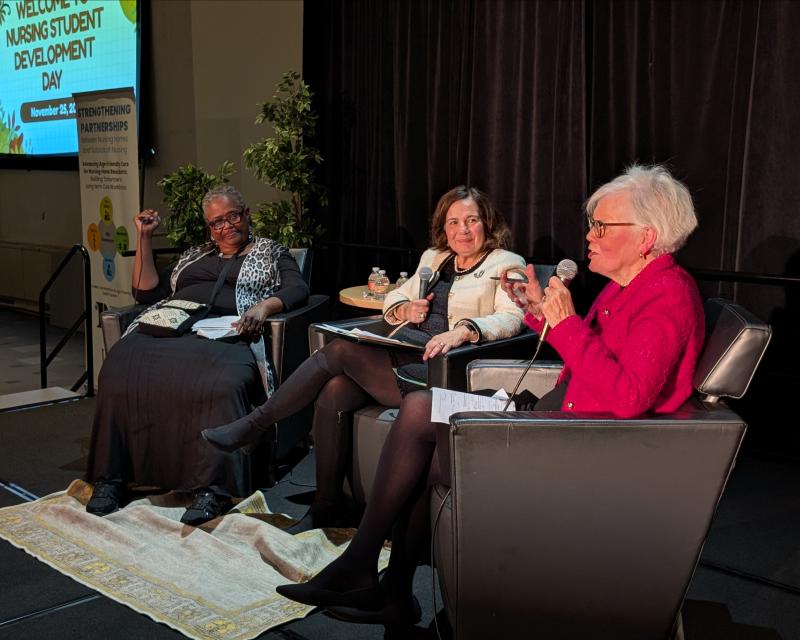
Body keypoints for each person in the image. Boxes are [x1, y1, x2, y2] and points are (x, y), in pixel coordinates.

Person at [271, 164, 705, 625]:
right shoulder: (628, 286)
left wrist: (566, 323)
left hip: (581, 446)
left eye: (601, 226)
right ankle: (384, 585)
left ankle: (368, 572)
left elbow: (628, 397)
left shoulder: (667, 296)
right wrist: (538, 312)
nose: (589, 236)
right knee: (422, 417)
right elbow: (590, 357)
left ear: (645, 238)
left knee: (419, 410)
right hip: (557, 419)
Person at [201, 185, 526, 533]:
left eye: (471, 220)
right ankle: (326, 506)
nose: (463, 230)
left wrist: (463, 330)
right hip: (405, 350)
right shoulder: (434, 258)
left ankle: (257, 424)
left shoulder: (507, 263)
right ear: (443, 228)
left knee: (340, 350)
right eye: (454, 222)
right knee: (335, 390)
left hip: (442, 368)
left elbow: (513, 318)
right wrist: (406, 308)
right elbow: (394, 298)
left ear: (486, 222)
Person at [85, 185, 310, 525]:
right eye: (217, 222)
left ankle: (214, 488)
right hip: (171, 325)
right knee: (119, 369)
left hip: (228, 332)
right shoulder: (194, 256)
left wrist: (264, 307)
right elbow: (146, 293)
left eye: (233, 217)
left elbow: (297, 288)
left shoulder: (271, 252)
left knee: (221, 384)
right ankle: (112, 478)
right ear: (209, 227)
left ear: (246, 214)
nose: (227, 226)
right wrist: (144, 237)